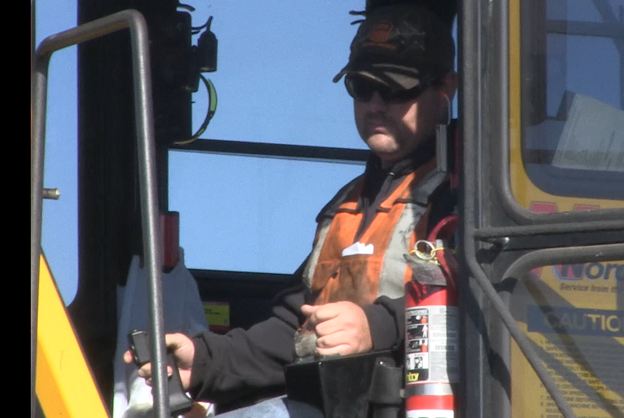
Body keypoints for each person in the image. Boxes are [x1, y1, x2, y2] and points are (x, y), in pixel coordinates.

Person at [125, 3, 457, 416]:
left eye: (395, 89)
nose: (375, 104)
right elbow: (295, 328)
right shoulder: (345, 206)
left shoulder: (468, 195)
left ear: (447, 88)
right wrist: (206, 360)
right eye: (361, 87)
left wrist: (378, 327)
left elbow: (482, 300)